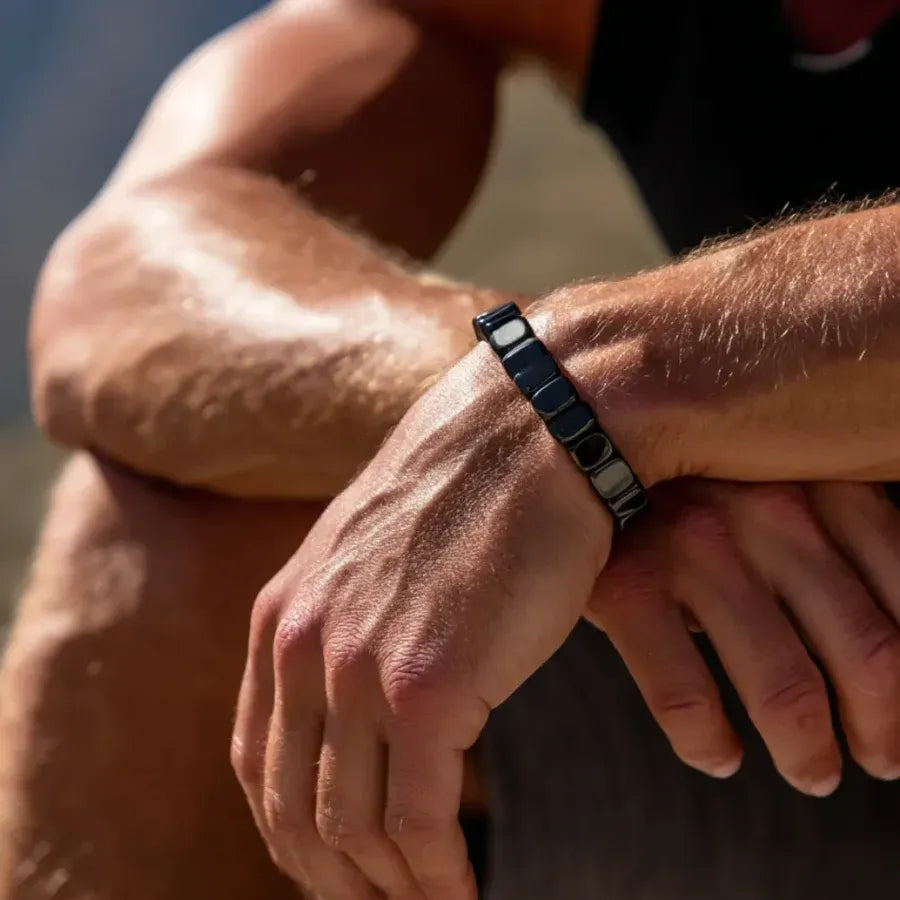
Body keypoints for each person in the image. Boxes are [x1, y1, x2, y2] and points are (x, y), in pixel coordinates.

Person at [2, 0, 899, 897]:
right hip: (809, 670)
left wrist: (624, 382)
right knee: (177, 537)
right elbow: (113, 285)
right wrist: (547, 429)